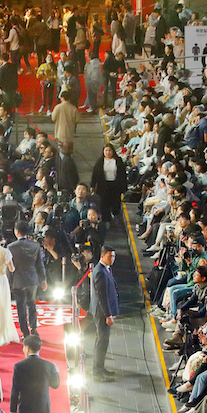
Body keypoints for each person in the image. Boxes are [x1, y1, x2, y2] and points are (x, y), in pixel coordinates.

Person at [10, 334, 60, 413]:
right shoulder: (48, 365)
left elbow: (15, 389)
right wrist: (56, 371)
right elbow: (55, 384)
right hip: (42, 408)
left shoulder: (19, 366)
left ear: (27, 348)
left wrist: (13, 409)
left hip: (25, 408)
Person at [6, 222, 46, 338]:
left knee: (21, 306)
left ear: (16, 231)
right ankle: (33, 328)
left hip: (18, 280)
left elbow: (9, 267)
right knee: (32, 304)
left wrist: (9, 281)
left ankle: (25, 332)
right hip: (33, 279)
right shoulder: (35, 245)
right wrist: (43, 280)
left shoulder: (11, 247)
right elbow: (40, 264)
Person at [91, 245, 119, 380]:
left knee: (103, 340)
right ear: (102, 256)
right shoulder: (100, 272)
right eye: (109, 256)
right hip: (102, 313)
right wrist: (108, 315)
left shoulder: (105, 270)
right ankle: (97, 371)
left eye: (113, 256)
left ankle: (100, 367)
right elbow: (102, 296)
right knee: (101, 341)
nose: (112, 259)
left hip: (104, 311)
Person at [90, 143, 127, 226]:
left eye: (109, 150)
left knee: (115, 202)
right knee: (104, 203)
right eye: (106, 150)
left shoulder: (118, 161)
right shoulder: (100, 161)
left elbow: (123, 175)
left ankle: (115, 217)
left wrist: (124, 189)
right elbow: (95, 174)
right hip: (103, 186)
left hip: (115, 186)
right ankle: (106, 220)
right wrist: (92, 185)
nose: (108, 152)